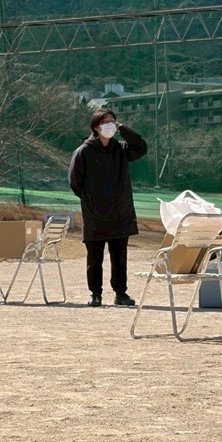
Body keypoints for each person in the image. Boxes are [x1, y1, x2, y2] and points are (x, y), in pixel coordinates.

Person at [68, 109, 148, 307]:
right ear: (96, 126)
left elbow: (141, 147)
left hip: (121, 212)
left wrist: (123, 128)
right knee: (94, 257)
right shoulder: (84, 151)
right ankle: (95, 294)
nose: (110, 124)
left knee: (119, 257)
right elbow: (75, 182)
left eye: (113, 121)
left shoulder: (121, 149)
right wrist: (92, 200)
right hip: (95, 214)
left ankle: (121, 293)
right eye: (105, 121)